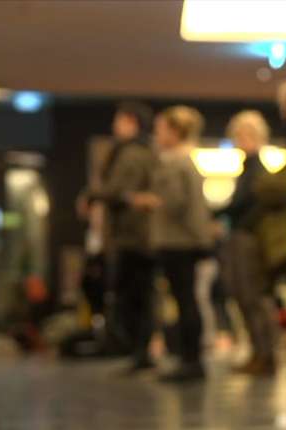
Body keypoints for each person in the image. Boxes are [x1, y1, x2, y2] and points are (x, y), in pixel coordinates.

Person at [129, 106, 215, 382]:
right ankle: (191, 359)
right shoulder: (186, 160)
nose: (157, 134)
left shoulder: (174, 162)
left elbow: (175, 203)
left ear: (175, 131)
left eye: (161, 129)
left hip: (178, 242)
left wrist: (150, 201)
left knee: (185, 300)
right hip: (186, 240)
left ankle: (191, 361)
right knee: (187, 299)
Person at [78, 101, 156, 372]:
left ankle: (139, 352)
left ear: (132, 122)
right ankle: (137, 351)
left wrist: (92, 195)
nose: (114, 126)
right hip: (135, 236)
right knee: (137, 296)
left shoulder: (133, 154)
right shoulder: (138, 151)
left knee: (136, 297)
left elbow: (120, 190)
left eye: (119, 120)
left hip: (135, 237)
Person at [217, 110, 279, 376]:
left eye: (244, 134)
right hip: (245, 237)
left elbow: (243, 205)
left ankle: (265, 354)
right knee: (246, 297)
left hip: (249, 240)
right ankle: (259, 352)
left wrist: (218, 214)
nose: (240, 140)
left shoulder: (256, 169)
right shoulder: (250, 168)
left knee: (253, 297)